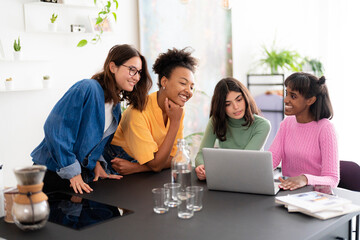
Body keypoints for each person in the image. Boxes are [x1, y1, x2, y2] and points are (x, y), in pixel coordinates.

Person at [31, 44, 152, 194]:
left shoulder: (114, 108)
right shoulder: (87, 88)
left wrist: (97, 165)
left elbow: (91, 142)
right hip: (50, 172)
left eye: (139, 72)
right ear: (113, 67)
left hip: (74, 176)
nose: (137, 77)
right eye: (132, 70)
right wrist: (73, 172)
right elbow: (55, 129)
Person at [103, 47, 198, 175]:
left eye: (192, 87)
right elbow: (156, 164)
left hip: (140, 166)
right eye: (183, 83)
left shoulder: (177, 110)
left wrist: (137, 167)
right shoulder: (138, 112)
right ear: (164, 81)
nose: (189, 91)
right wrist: (175, 122)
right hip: (114, 163)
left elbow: (175, 157)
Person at [269, 72, 339, 190]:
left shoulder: (325, 128)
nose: (285, 100)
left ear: (310, 100)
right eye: (286, 94)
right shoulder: (286, 124)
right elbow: (270, 161)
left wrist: (304, 179)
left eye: (293, 96)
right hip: (288, 193)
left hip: (314, 197)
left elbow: (332, 179)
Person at [195, 77, 271, 180]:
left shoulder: (262, 125)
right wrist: (201, 167)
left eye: (239, 100)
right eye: (228, 104)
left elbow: (244, 161)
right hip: (226, 177)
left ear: (245, 98)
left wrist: (215, 170)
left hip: (253, 178)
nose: (236, 107)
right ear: (221, 107)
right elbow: (200, 155)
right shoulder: (216, 121)